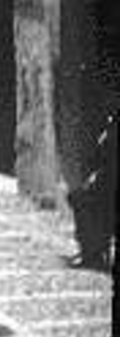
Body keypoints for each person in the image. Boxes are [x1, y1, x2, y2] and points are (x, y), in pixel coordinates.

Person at [66, 109, 117, 271]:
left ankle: (92, 253)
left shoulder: (112, 132)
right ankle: (94, 249)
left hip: (109, 188)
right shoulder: (110, 129)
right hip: (107, 185)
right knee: (81, 197)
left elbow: (108, 163)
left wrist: (95, 179)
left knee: (80, 199)